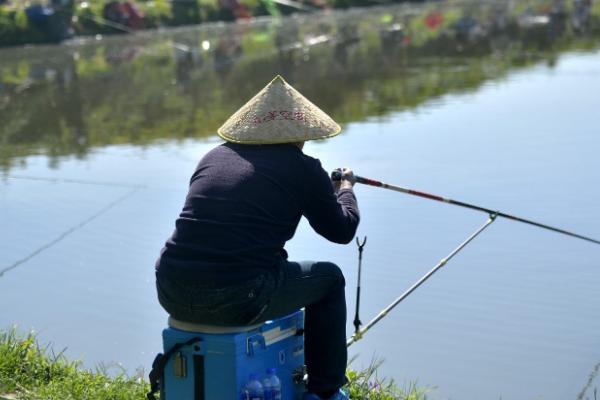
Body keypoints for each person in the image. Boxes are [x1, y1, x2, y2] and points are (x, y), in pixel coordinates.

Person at [155, 75, 359, 400]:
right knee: (331, 280)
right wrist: (345, 190)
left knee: (273, 265)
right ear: (301, 134)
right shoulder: (304, 168)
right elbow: (342, 230)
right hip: (238, 297)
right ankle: (324, 392)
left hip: (169, 288)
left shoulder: (213, 157)